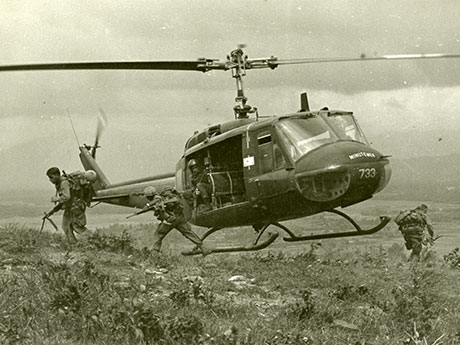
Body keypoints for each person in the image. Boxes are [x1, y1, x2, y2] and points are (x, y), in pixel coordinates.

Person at [143, 186, 211, 256]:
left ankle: (155, 252)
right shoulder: (166, 197)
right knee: (189, 233)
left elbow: (158, 203)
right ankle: (203, 248)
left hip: (170, 220)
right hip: (179, 218)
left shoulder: (157, 199)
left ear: (149, 197)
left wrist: (148, 205)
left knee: (158, 234)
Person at [45, 167, 88, 244]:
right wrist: (52, 211)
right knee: (66, 226)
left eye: (51, 177)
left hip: (76, 207)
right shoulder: (60, 183)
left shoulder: (64, 183)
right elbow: (64, 201)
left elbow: (67, 197)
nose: (50, 180)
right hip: (70, 208)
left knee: (78, 228)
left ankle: (95, 239)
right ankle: (73, 244)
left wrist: (56, 199)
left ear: (57, 175)